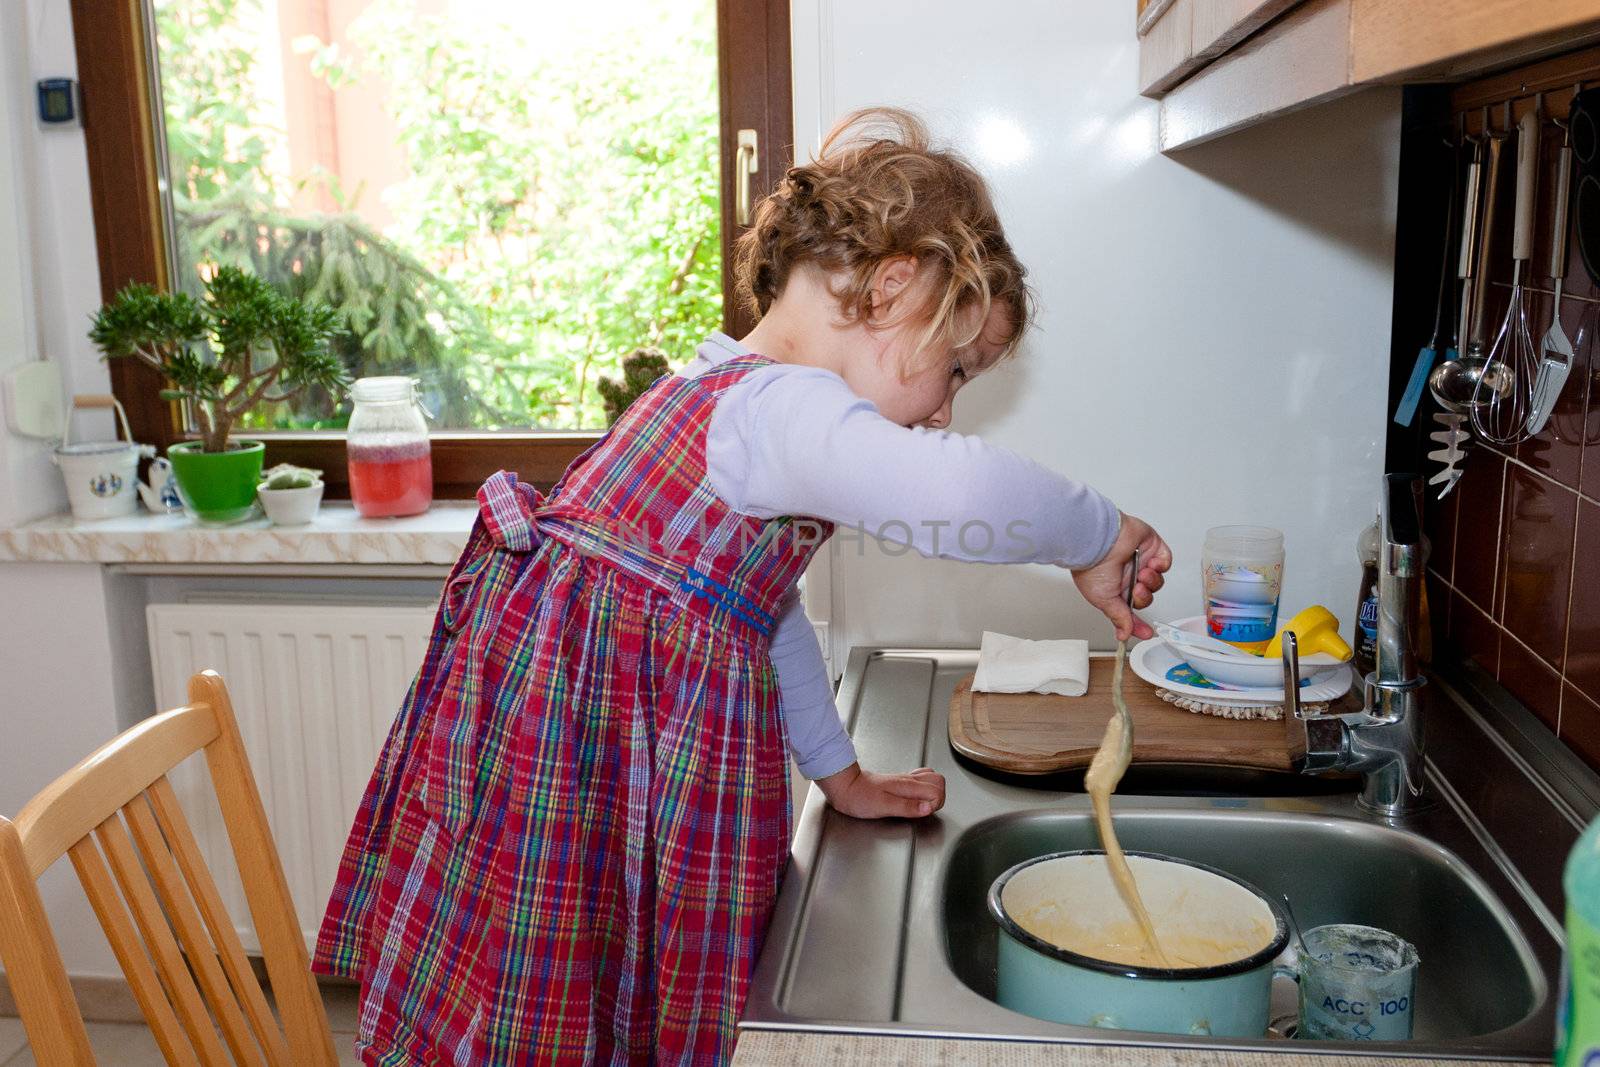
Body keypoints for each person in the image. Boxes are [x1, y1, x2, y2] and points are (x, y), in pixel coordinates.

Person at [313, 106, 1172, 1065]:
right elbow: (959, 492)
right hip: (596, 761)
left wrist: (837, 775)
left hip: (571, 758)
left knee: (565, 994)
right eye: (958, 368)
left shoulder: (729, 390)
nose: (945, 409)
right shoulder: (781, 407)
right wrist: (1101, 532)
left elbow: (753, 615)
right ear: (894, 288)